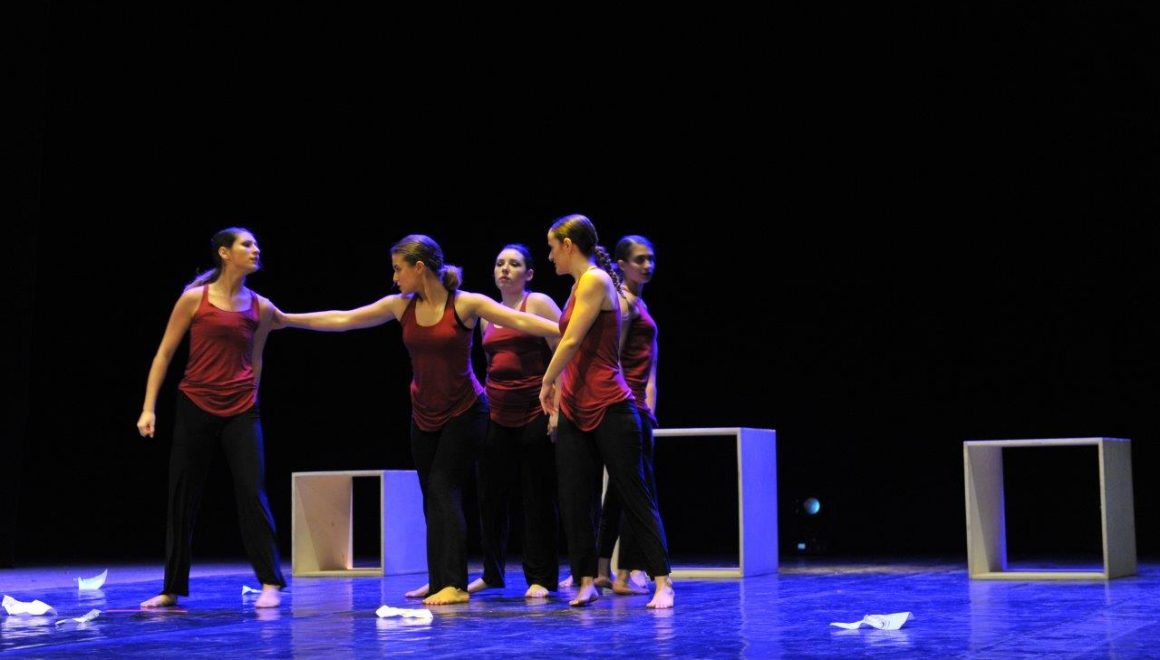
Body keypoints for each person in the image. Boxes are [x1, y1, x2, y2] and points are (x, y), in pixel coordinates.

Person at [274, 235, 560, 606]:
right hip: (423, 413)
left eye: (398, 269)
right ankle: (440, 578)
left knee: (443, 488)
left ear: (419, 267)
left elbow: (522, 320)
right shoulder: (400, 305)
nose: (394, 277)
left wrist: (573, 331)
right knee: (432, 497)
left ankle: (454, 585)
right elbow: (344, 319)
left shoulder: (465, 303)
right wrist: (286, 320)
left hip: (465, 411)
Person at [136, 227, 286, 609]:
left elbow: (256, 359)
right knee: (182, 495)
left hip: (241, 409)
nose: (255, 249)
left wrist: (251, 397)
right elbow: (163, 354)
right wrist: (149, 407)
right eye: (246, 244)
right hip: (195, 403)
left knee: (252, 491)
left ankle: (270, 583)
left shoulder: (261, 306)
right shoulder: (194, 299)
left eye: (256, 244)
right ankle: (171, 588)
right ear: (224, 252)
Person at [538, 215, 674, 609]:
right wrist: (559, 395)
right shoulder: (577, 286)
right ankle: (587, 580)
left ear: (568, 245)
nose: (550, 256)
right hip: (575, 406)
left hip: (611, 404)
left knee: (634, 494)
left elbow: (570, 341)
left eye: (552, 248)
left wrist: (547, 381)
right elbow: (566, 341)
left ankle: (662, 581)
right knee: (576, 498)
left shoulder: (596, 280)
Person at [469, 244, 563, 599]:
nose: (504, 269)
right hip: (496, 412)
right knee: (490, 496)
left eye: (514, 263)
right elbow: (490, 365)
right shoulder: (486, 315)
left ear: (529, 273)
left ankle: (541, 577)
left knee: (537, 496)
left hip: (535, 409)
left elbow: (564, 350)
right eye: (499, 263)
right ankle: (492, 573)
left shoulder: (536, 303)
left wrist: (557, 409)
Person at [594, 235, 660, 594]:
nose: (647, 265)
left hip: (639, 406)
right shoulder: (623, 303)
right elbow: (612, 358)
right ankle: (624, 574)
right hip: (626, 403)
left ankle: (604, 568)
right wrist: (629, 404)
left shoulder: (640, 302)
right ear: (621, 265)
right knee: (637, 491)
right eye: (639, 259)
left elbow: (651, 366)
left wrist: (649, 406)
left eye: (650, 259)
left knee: (621, 491)